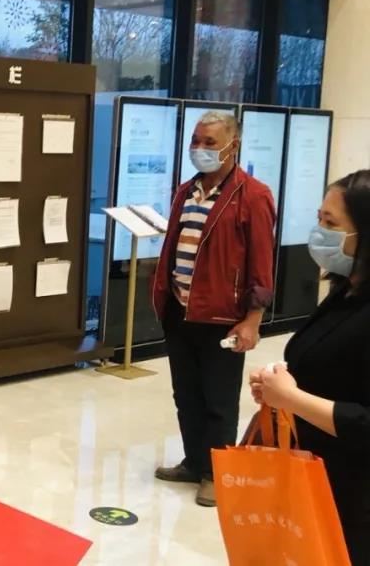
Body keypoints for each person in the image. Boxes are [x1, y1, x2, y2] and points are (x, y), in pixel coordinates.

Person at [151, 111, 276, 507]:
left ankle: (216, 473)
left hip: (223, 317)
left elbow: (261, 263)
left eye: (209, 142)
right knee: (186, 395)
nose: (199, 148)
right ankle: (194, 461)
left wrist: (252, 319)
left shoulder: (253, 195)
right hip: (180, 311)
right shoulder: (185, 191)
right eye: (196, 140)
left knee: (218, 400)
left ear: (232, 146)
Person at [250, 169, 370, 564]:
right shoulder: (345, 291)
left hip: (353, 497)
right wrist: (279, 385)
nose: (319, 232)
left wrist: (292, 397)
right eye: (319, 218)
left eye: (331, 223)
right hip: (313, 478)